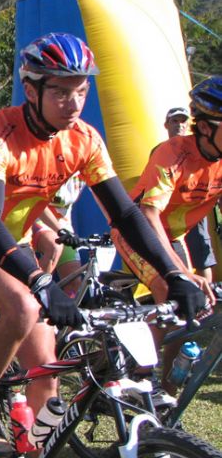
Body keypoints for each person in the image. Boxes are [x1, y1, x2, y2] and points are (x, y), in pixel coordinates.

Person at [0, 33, 207, 456]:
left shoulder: (84, 139)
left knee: (45, 372)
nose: (74, 102)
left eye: (81, 90)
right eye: (60, 91)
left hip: (18, 240)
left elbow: (127, 214)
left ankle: (38, 449)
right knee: (24, 305)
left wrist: (174, 273)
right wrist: (39, 281)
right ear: (31, 90)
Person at [112, 76, 222, 398]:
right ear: (205, 128)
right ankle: (141, 377)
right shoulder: (173, 153)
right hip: (135, 229)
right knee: (169, 287)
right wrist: (182, 272)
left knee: (184, 308)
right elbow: (147, 215)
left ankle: (166, 387)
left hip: (171, 234)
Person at [161, 107, 219, 284]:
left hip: (195, 212)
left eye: (182, 120)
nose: (179, 125)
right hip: (169, 216)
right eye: (174, 121)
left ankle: (207, 299)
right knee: (175, 260)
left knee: (202, 255)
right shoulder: (162, 150)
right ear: (166, 125)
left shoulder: (205, 147)